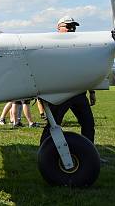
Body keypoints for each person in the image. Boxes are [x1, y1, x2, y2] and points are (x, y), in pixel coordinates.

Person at [40, 16, 96, 144]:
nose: (71, 30)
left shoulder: (81, 47)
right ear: (58, 28)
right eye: (68, 27)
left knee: (88, 125)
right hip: (61, 94)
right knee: (53, 125)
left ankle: (88, 152)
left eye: (74, 27)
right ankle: (43, 151)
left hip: (79, 93)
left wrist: (92, 92)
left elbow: (86, 70)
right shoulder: (49, 47)